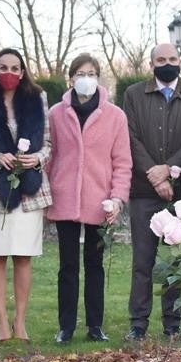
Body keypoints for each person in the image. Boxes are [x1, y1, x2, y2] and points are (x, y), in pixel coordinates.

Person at [122, 43, 181, 341]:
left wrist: (170, 169)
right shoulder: (134, 94)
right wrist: (155, 175)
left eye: (172, 59)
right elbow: (131, 138)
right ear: (152, 64)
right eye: (161, 59)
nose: (167, 63)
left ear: (180, 61)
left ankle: (173, 325)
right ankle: (138, 323)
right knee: (143, 260)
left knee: (177, 260)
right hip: (144, 190)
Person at [46, 54, 131, 343]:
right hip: (65, 197)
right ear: (71, 78)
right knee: (67, 266)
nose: (87, 78)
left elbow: (122, 162)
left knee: (95, 265)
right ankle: (65, 327)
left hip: (100, 201)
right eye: (81, 73)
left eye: (92, 73)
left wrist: (117, 198)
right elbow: (50, 154)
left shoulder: (115, 116)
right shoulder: (56, 113)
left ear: (99, 78)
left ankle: (95, 326)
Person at [0, 49, 52, 342]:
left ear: (22, 71)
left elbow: (49, 142)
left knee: (23, 257)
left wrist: (38, 158)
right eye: (3, 67)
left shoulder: (38, 98)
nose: (9, 72)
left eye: (15, 68)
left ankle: (20, 322)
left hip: (30, 187)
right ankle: (2, 323)